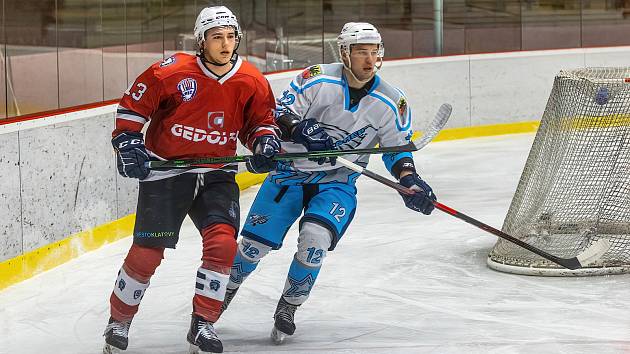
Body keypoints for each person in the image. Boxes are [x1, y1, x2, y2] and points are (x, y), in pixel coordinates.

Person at [218, 22, 437, 343]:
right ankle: (218, 301)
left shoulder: (392, 101)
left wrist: (409, 179)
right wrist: (298, 129)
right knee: (252, 249)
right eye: (361, 52)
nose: (368, 59)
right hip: (289, 175)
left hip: (337, 182)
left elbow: (396, 149)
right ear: (344, 53)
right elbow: (277, 111)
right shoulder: (317, 78)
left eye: (373, 52)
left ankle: (288, 307)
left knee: (314, 242)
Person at [102, 6, 280, 354]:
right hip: (167, 172)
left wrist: (264, 143)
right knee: (148, 252)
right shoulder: (170, 72)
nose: (226, 44)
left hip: (217, 173)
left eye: (231, 37)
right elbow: (131, 111)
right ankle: (118, 321)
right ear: (202, 41)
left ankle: (203, 324)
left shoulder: (252, 80)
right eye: (217, 37)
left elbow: (259, 124)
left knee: (224, 245)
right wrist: (127, 142)